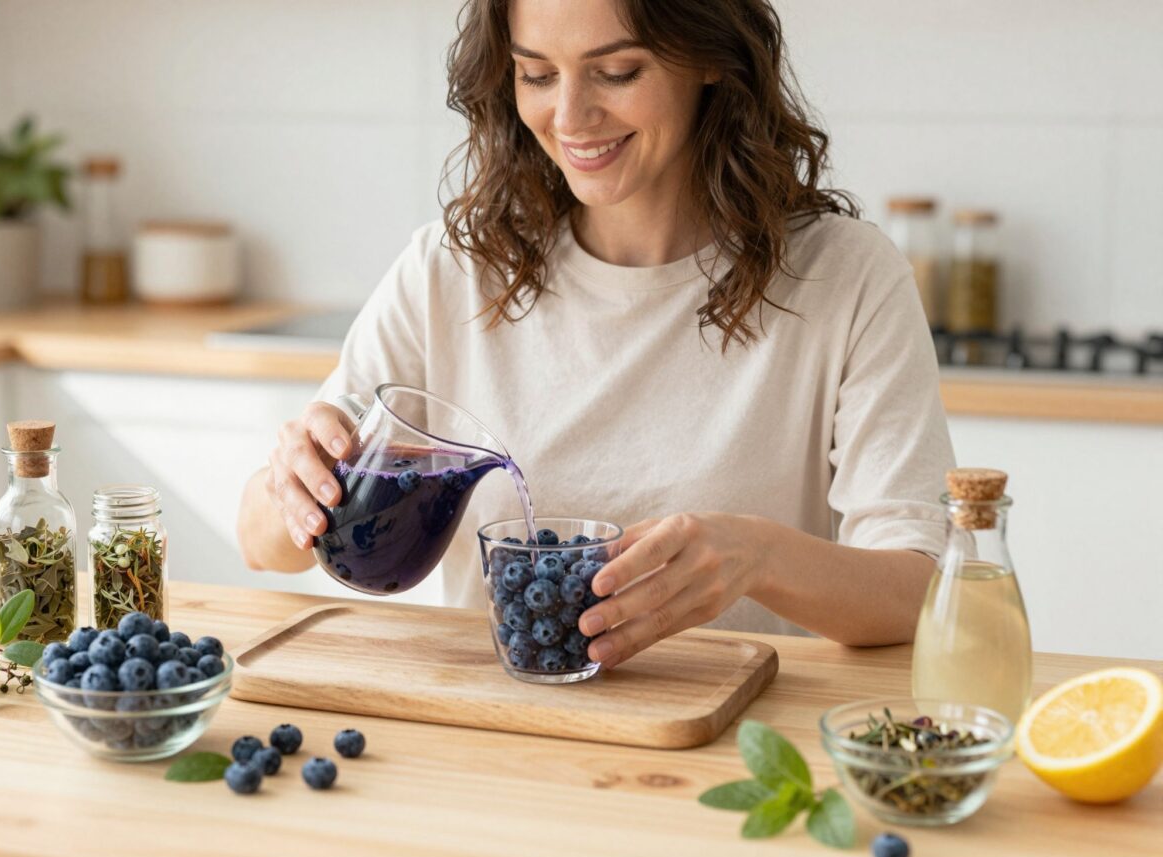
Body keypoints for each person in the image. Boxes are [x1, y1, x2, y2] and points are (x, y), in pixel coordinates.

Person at [237, 0, 955, 668]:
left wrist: (758, 556)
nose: (571, 117)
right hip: (495, 731)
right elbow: (262, 543)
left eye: (616, 71)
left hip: (731, 734)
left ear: (711, 56)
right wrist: (294, 486)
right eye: (537, 75)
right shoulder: (450, 272)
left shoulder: (844, 277)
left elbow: (922, 591)